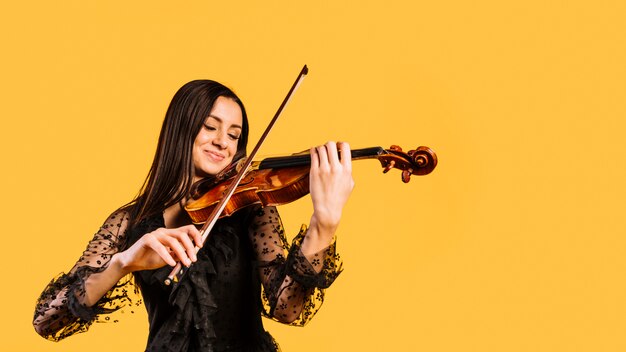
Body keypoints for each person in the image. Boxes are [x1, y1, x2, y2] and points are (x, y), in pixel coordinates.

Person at [32, 80, 354, 351]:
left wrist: (323, 225)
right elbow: (47, 318)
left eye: (233, 134)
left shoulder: (249, 209)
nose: (222, 142)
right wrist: (123, 263)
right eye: (210, 127)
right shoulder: (131, 221)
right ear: (181, 128)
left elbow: (287, 309)